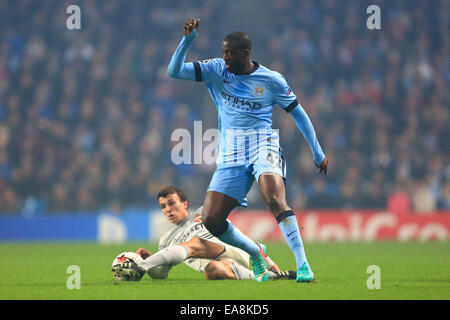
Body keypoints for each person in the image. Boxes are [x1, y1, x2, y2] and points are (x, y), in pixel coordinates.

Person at [167, 18, 328, 282]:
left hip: (263, 145)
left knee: (273, 198)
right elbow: (174, 72)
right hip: (231, 154)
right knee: (211, 221)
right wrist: (187, 41)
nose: (225, 57)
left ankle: (303, 266)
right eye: (223, 52)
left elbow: (299, 114)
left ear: (246, 53)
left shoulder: (272, 80)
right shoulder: (217, 69)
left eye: (230, 52)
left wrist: (317, 152)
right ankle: (256, 253)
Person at [122, 186, 294, 281]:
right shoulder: (166, 240)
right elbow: (161, 274)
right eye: (163, 207)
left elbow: (236, 234)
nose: (168, 209)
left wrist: (267, 261)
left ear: (184, 204)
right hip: (222, 265)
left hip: (231, 251)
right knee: (211, 271)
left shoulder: (203, 213)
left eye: (171, 203)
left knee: (196, 242)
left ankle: (139, 268)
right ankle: (271, 277)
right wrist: (150, 259)